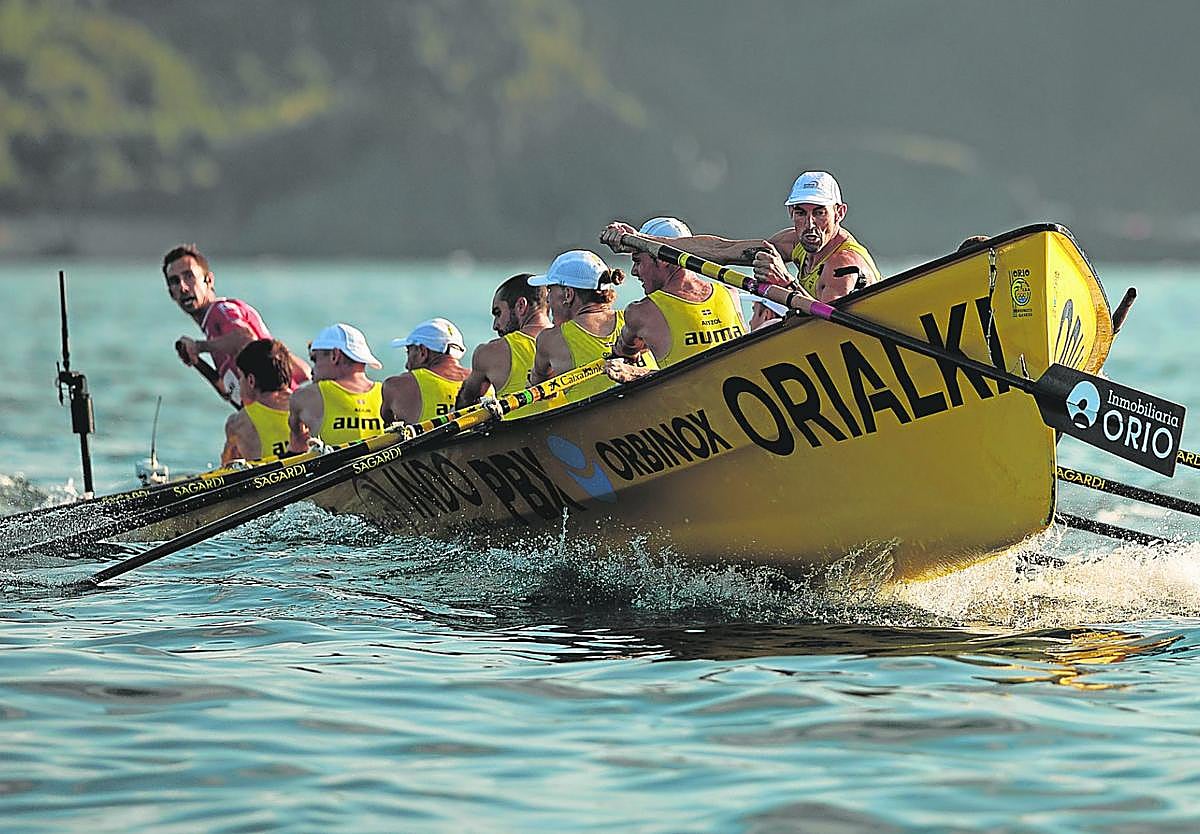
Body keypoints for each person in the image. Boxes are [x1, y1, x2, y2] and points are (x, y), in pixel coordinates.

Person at [600, 170, 881, 305]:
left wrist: (785, 283)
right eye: (800, 213)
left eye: (819, 213)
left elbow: (826, 330)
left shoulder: (842, 265)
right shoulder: (797, 245)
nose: (809, 225)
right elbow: (723, 250)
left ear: (839, 212)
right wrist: (640, 241)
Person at [611, 216, 747, 369]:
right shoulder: (730, 294)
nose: (634, 271)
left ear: (663, 259)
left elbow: (624, 351)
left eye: (637, 261)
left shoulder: (640, 312)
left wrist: (624, 350)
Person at [529, 250, 656, 404]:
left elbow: (539, 385)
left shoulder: (549, 339)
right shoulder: (637, 318)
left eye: (550, 290)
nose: (547, 299)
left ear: (568, 294)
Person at [455, 274, 552, 412]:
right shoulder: (569, 339)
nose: (495, 325)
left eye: (498, 313)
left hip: (516, 432)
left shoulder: (489, 353)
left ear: (520, 306)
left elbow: (464, 405)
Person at [288, 323, 385, 452]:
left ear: (335, 355)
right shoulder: (387, 393)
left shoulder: (304, 397)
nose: (312, 370)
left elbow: (297, 449)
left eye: (315, 360)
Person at [381, 318, 471, 424]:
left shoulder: (396, 385)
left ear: (423, 352)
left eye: (408, 351)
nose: (406, 365)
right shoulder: (484, 383)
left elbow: (387, 421)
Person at [221, 339, 294, 464]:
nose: (239, 383)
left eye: (240, 377)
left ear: (251, 380)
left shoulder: (237, 423)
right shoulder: (309, 403)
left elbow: (226, 469)